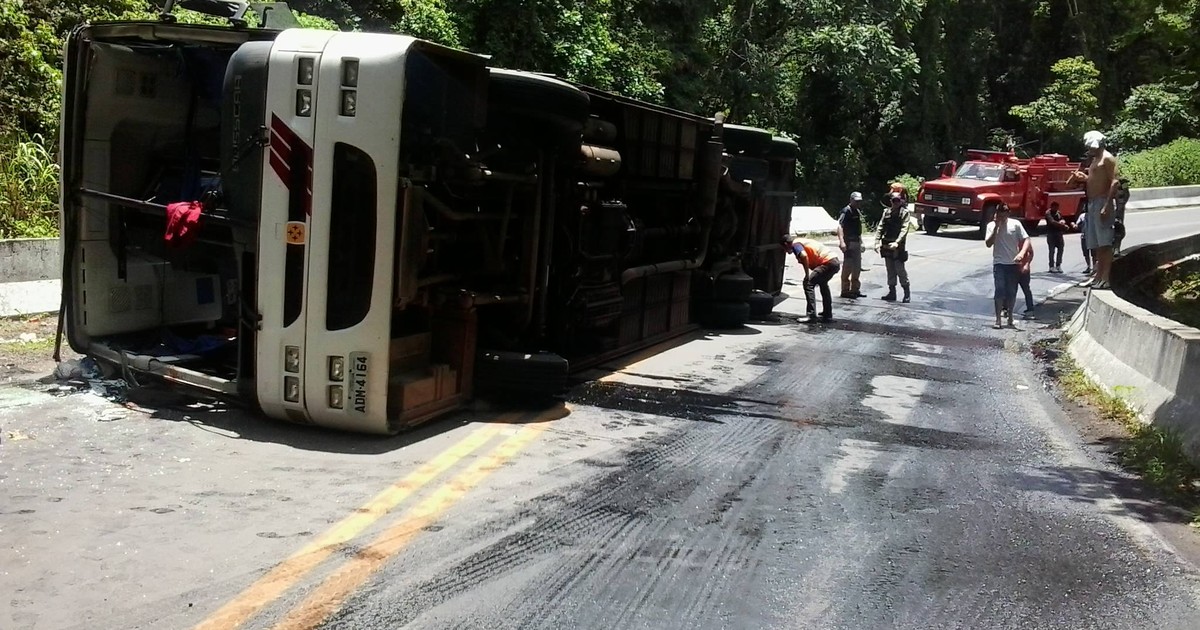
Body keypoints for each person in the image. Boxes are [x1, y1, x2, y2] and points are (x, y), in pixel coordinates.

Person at [1070, 130, 1119, 289]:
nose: (1090, 149)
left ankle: (1106, 277)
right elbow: (1095, 179)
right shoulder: (1094, 159)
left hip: (1101, 202)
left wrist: (1107, 204)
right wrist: (1084, 179)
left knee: (1105, 243)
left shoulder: (1107, 159)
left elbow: (1114, 182)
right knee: (1096, 244)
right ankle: (1097, 277)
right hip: (1091, 203)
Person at [984, 204, 1031, 329]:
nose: (1002, 216)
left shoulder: (1015, 224)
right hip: (999, 263)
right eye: (999, 214)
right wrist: (996, 228)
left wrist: (1021, 253)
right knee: (999, 290)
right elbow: (988, 244)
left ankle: (1010, 316)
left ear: (1008, 213)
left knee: (1011, 292)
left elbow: (1026, 239)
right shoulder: (991, 225)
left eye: (1004, 214)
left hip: (1013, 263)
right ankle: (998, 319)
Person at [783, 235, 841, 323]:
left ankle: (811, 315)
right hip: (834, 262)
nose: (786, 252)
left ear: (786, 244)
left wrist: (807, 275)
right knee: (823, 284)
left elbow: (804, 256)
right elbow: (806, 260)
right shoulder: (802, 241)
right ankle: (827, 313)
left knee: (808, 284)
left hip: (827, 262)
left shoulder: (796, 244)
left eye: (785, 249)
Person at [875, 192, 912, 303]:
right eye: (893, 200)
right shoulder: (886, 212)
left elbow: (904, 229)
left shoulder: (904, 213)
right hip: (886, 243)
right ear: (890, 201)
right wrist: (876, 241)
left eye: (898, 200)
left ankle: (906, 293)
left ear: (901, 201)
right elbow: (880, 227)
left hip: (898, 246)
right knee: (890, 269)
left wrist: (897, 242)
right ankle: (892, 292)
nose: (895, 203)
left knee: (900, 269)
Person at [837, 192, 866, 298]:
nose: (858, 203)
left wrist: (861, 242)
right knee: (848, 267)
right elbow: (840, 226)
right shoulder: (846, 211)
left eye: (860, 201)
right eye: (856, 201)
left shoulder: (857, 211)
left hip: (856, 242)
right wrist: (842, 241)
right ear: (851, 200)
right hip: (848, 243)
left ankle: (855, 290)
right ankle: (845, 290)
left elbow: (858, 229)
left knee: (857, 267)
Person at [1044, 202, 1068, 273]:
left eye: (1057, 207)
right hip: (1051, 233)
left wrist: (1063, 221)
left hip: (1059, 234)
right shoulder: (1048, 213)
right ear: (1051, 207)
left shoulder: (1058, 213)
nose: (1056, 209)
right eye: (1055, 207)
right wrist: (1062, 226)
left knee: (1060, 249)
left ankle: (1058, 265)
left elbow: (1062, 219)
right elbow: (1052, 222)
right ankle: (1051, 266)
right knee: (1052, 250)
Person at [1071, 210, 1093, 274]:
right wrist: (1074, 225)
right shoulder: (1082, 216)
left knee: (1094, 253)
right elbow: (1077, 225)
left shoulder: (1094, 215)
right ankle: (1088, 266)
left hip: (1092, 236)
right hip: (1084, 237)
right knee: (1086, 253)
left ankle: (1094, 267)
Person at [1114, 177, 1130, 254]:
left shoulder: (1123, 182)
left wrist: (1122, 203)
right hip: (1108, 208)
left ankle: (1117, 248)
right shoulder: (1105, 179)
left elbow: (1127, 194)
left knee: (1118, 228)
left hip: (1119, 209)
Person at [1017, 246, 1035, 318]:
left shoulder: (1024, 239)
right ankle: (1005, 309)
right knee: (1010, 290)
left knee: (1026, 289)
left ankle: (1030, 309)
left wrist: (1027, 264)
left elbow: (1031, 252)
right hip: (1012, 269)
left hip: (1024, 269)